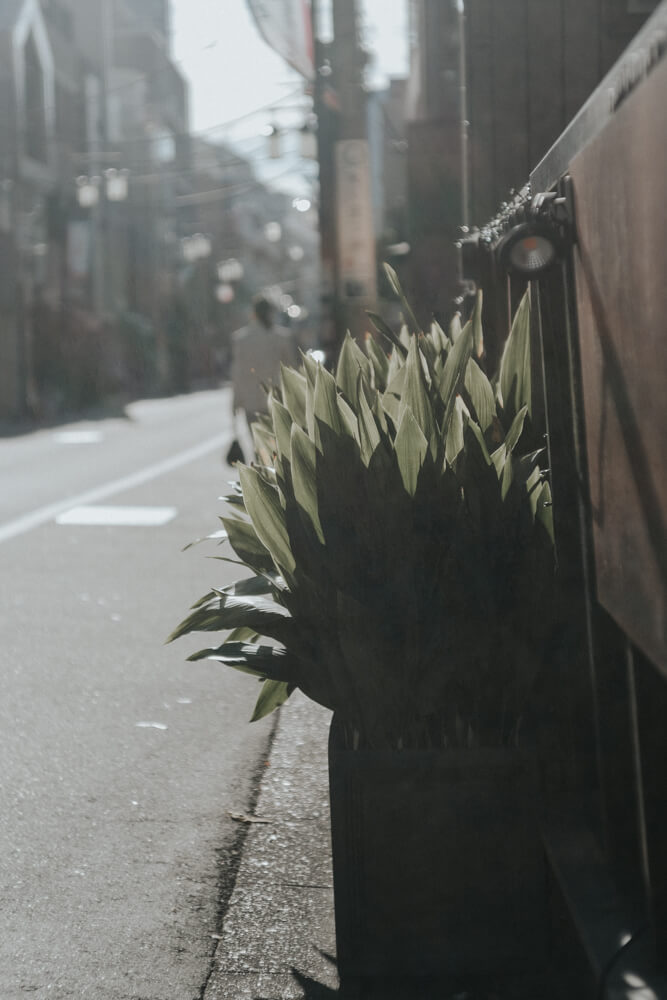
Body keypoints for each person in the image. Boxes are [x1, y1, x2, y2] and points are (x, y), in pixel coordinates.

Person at [227, 294, 298, 463]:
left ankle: (263, 480)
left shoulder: (241, 340)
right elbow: (292, 372)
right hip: (277, 401)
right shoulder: (281, 338)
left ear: (254, 313)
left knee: (258, 446)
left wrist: (235, 403)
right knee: (278, 446)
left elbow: (238, 374)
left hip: (251, 404)